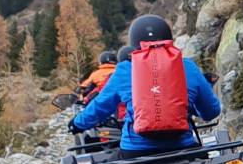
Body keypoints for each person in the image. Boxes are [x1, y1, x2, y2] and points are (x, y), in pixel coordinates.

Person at [72, 15, 221, 151]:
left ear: (134, 42)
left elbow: (100, 106)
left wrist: (77, 124)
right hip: (182, 147)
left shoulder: (125, 70)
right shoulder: (187, 66)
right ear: (168, 38)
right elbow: (211, 111)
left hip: (136, 150)